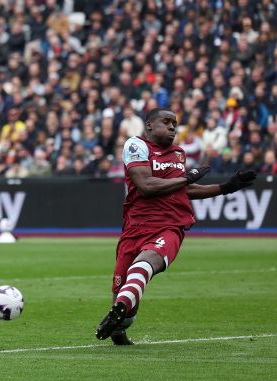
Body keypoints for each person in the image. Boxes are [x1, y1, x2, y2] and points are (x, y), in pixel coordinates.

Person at [95, 108, 256, 345]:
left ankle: (121, 305)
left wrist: (225, 187)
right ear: (149, 125)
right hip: (135, 227)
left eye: (175, 124)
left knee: (145, 264)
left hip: (170, 225)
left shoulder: (178, 153)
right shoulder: (136, 146)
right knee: (123, 319)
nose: (172, 127)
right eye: (167, 122)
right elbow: (146, 185)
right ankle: (120, 321)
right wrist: (187, 178)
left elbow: (182, 188)